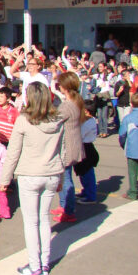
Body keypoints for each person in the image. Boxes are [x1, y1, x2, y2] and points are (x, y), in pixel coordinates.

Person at [0, 82, 65, 275]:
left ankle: (35, 266)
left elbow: (13, 152)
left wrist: (5, 178)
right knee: (44, 219)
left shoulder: (23, 120)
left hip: (30, 174)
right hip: (52, 174)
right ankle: (44, 263)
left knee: (31, 222)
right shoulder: (58, 120)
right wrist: (61, 177)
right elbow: (62, 151)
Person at [51, 72, 85, 223]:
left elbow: (54, 121)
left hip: (67, 145)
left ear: (64, 87)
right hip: (73, 143)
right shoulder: (75, 102)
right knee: (64, 177)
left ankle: (69, 210)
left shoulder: (66, 106)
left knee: (65, 179)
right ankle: (64, 205)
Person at [74, 100, 99, 204]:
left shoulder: (89, 122)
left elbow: (80, 135)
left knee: (87, 172)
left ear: (87, 111)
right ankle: (86, 191)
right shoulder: (87, 121)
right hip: (84, 146)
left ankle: (90, 196)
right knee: (83, 173)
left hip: (86, 147)